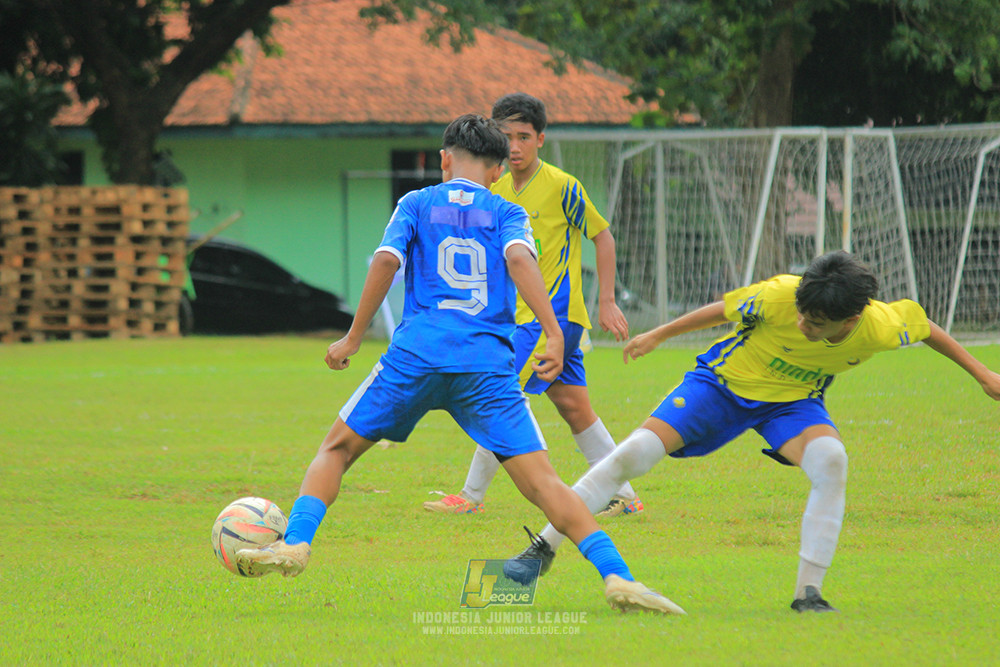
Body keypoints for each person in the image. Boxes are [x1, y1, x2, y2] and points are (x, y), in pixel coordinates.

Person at [235, 113, 683, 615]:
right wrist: (554, 333)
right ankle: (618, 576)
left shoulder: (415, 202)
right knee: (544, 484)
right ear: (498, 170)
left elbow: (386, 261)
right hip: (486, 367)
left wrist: (353, 337)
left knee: (337, 449)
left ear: (444, 159)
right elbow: (520, 261)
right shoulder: (507, 210)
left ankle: (296, 542)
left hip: (416, 357)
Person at [503, 250, 1000, 612]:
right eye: (801, 313)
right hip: (719, 387)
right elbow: (722, 309)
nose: (802, 324)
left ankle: (809, 594)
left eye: (816, 323)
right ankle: (542, 548)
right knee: (634, 454)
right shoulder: (780, 293)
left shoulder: (880, 325)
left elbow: (928, 329)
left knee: (832, 461)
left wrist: (983, 375)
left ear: (849, 321)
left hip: (792, 403)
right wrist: (658, 334)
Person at [423, 92, 642, 518]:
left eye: (524, 137)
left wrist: (607, 300)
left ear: (540, 139)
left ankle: (470, 496)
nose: (515, 146)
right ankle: (625, 495)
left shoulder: (562, 186)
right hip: (518, 318)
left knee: (499, 394)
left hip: (552, 318)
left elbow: (602, 237)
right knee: (574, 407)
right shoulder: (495, 188)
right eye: (506, 137)